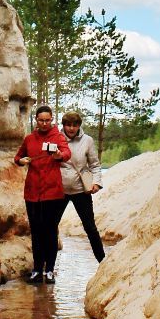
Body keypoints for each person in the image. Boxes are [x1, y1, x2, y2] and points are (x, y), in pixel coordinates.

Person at [14, 104, 70, 283]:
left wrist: (59, 155)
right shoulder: (30, 139)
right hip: (32, 192)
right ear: (36, 120)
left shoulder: (58, 137)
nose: (44, 123)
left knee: (50, 231)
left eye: (47, 120)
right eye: (41, 120)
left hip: (52, 193)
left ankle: (50, 270)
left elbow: (67, 153)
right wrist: (21, 161)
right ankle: (37, 269)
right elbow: (17, 157)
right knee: (36, 231)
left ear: (52, 120)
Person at [53, 111, 105, 263]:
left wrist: (97, 182)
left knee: (90, 228)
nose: (71, 128)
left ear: (79, 126)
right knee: (51, 227)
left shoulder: (87, 140)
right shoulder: (56, 139)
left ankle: (102, 263)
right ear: (63, 125)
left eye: (74, 125)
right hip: (59, 190)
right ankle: (47, 267)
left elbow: (95, 165)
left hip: (81, 190)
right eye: (68, 125)